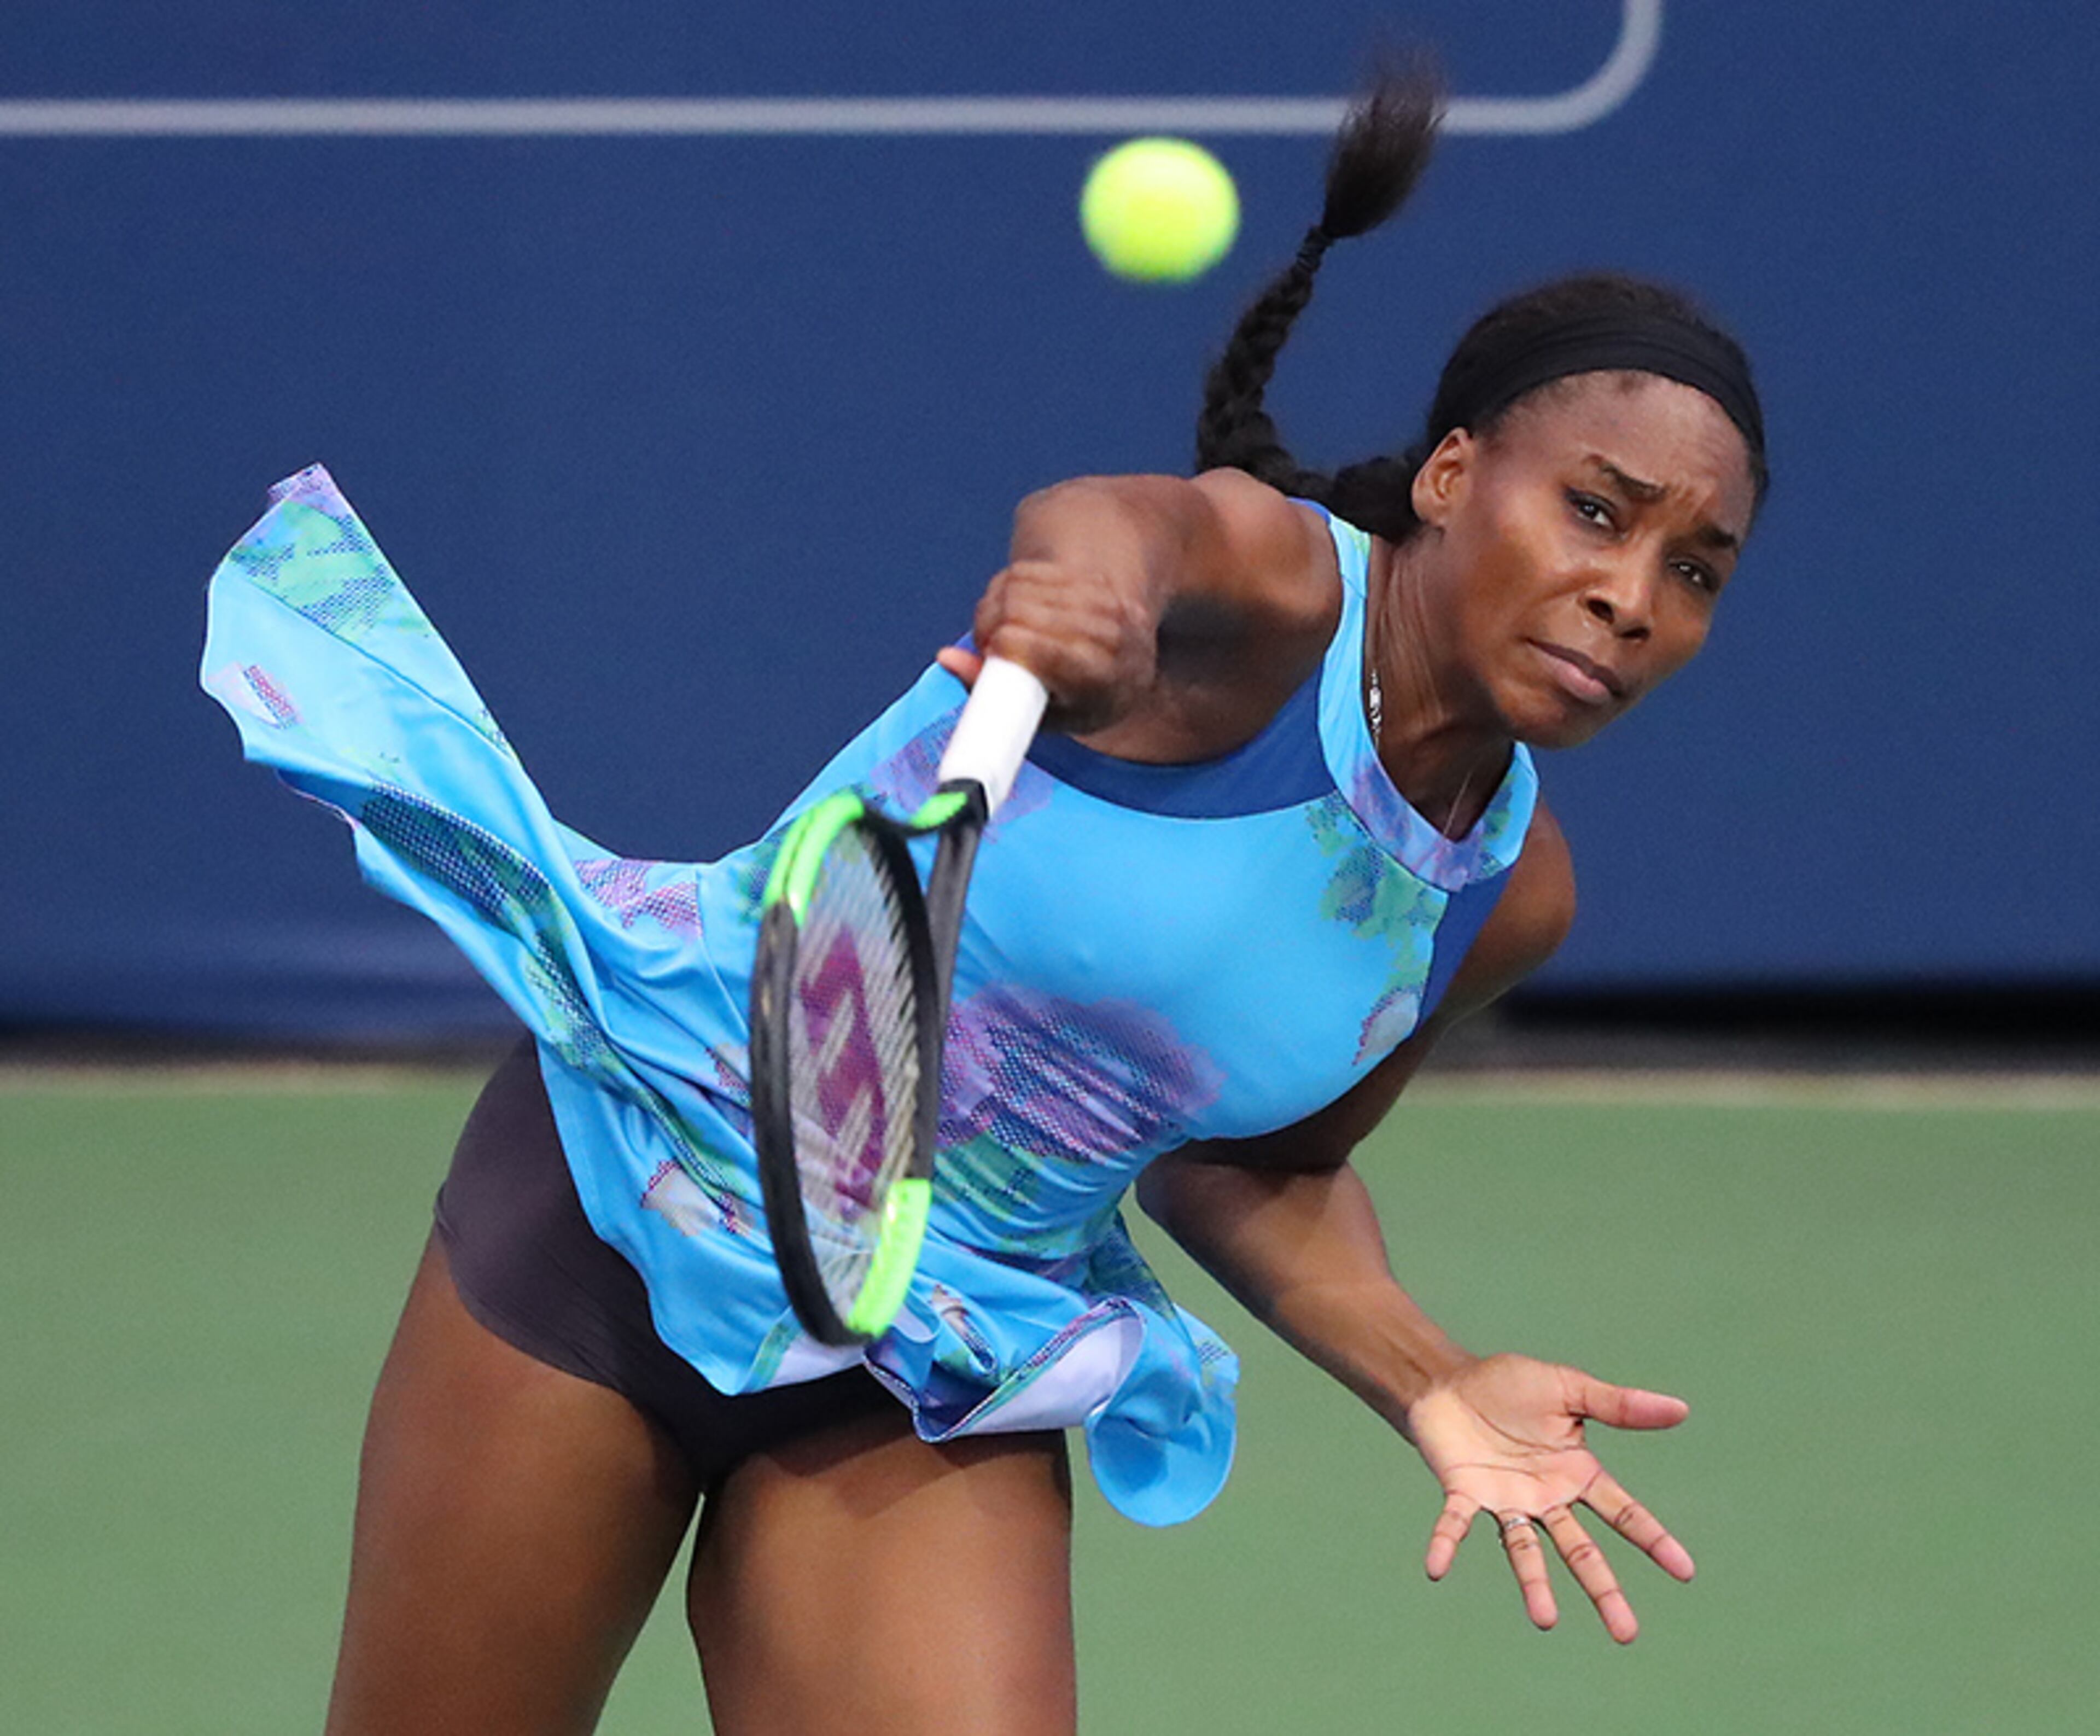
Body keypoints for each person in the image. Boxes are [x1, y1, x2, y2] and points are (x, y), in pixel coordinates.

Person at [201, 67, 1765, 1736]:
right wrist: (1088, 604)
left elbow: (1257, 1164)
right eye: (1594, 510)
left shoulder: (1507, 891)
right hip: (638, 1203)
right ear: (1453, 475)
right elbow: (1117, 529)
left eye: (1694, 570)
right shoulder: (1273, 594)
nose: (1630, 596)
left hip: (942, 1342)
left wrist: (1431, 1378)